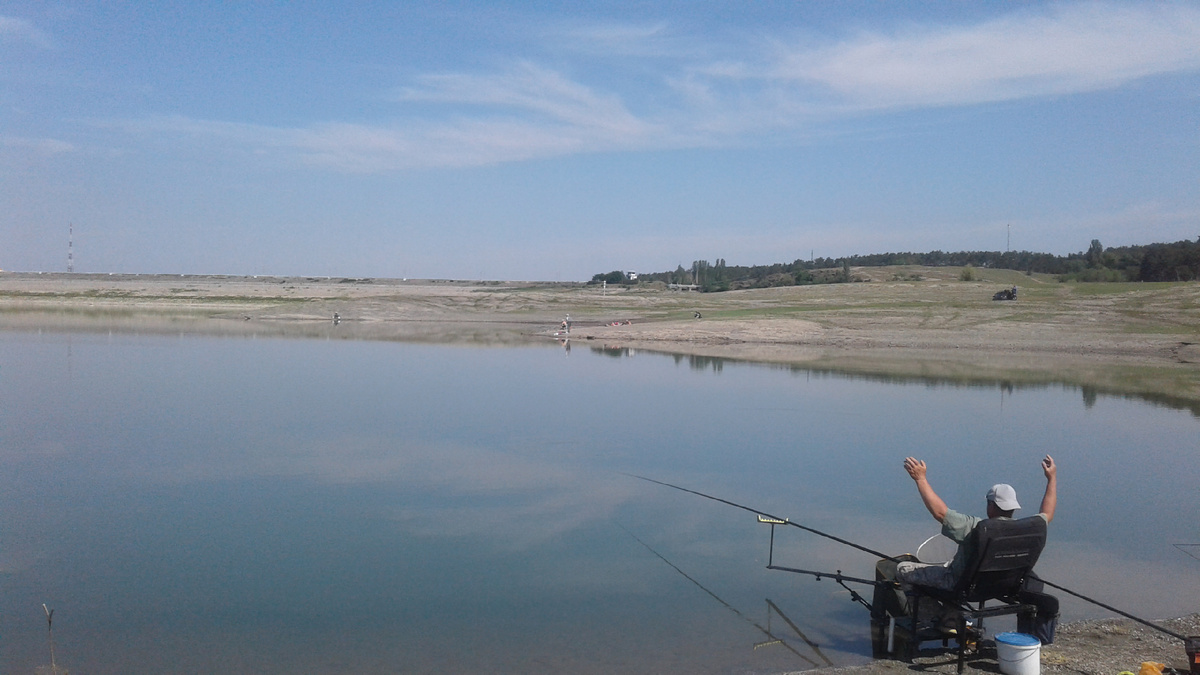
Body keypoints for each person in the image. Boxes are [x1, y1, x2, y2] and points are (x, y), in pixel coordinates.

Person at [873, 456, 1057, 621]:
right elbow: (1047, 513)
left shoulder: (977, 528)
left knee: (903, 569)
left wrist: (920, 479)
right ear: (1013, 508)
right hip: (1001, 587)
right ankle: (951, 613)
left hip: (962, 586)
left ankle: (939, 618)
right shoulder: (1029, 529)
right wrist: (1052, 478)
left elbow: (940, 513)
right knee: (946, 565)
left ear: (990, 505)